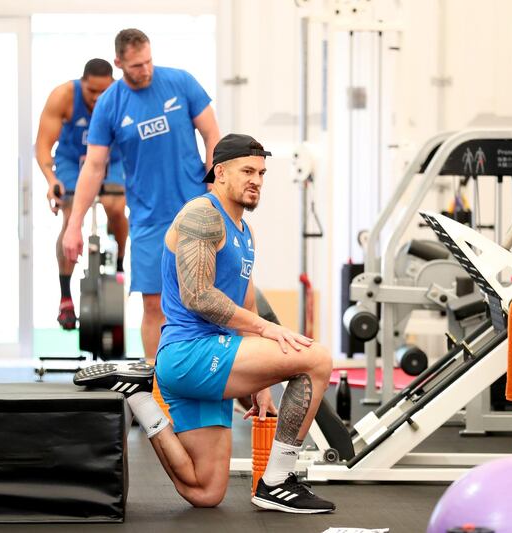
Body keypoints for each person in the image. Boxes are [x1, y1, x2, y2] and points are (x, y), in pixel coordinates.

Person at [74, 134, 336, 514]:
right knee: (317, 359)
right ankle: (277, 482)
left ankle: (140, 397)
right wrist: (268, 332)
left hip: (212, 359)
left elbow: (247, 305)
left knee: (204, 491)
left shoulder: (245, 233)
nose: (257, 180)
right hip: (191, 354)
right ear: (220, 171)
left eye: (262, 173)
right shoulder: (202, 215)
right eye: (248, 171)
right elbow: (197, 295)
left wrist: (263, 383)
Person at [62, 28, 220, 362]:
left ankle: (212, 377)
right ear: (119, 63)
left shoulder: (181, 82)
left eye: (148, 61)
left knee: (208, 300)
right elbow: (93, 167)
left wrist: (214, 189)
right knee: (153, 304)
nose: (145, 70)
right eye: (136, 66)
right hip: (149, 219)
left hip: (196, 208)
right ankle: (158, 390)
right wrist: (74, 224)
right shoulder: (109, 104)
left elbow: (212, 134)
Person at [36, 58, 127, 330]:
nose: (98, 98)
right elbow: (42, 145)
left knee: (114, 206)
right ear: (82, 83)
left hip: (112, 160)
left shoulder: (123, 97)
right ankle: (65, 295)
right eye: (91, 92)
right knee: (71, 215)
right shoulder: (63, 96)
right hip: (71, 161)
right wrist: (51, 180)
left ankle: (120, 265)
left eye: (104, 91)